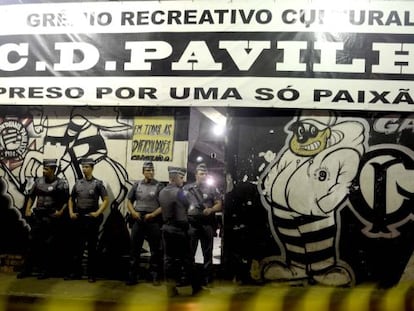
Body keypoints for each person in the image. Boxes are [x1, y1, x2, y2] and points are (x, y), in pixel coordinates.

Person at [17, 158, 69, 279]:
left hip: (51, 217)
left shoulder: (60, 183)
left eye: (46, 169)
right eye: (43, 168)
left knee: (48, 245)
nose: (43, 171)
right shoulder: (38, 181)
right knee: (32, 242)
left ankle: (45, 271)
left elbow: (67, 200)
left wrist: (60, 212)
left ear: (53, 170)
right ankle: (27, 270)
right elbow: (31, 196)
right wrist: (28, 209)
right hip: (38, 216)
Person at [159, 166, 203, 297]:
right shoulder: (180, 192)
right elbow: (194, 206)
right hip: (180, 230)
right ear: (173, 178)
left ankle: (170, 290)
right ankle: (196, 288)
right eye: (181, 177)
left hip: (166, 228)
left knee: (169, 260)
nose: (183, 180)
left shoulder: (161, 191)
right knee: (188, 260)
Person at [66, 158, 109, 283]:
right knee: (77, 247)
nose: (84, 169)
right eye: (83, 167)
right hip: (79, 218)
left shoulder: (97, 183)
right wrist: (71, 212)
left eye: (86, 167)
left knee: (91, 248)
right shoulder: (78, 183)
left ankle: (91, 274)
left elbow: (106, 199)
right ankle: (76, 273)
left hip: (91, 219)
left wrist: (97, 213)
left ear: (92, 168)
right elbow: (71, 199)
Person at [125, 161, 164, 286]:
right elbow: (129, 201)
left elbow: (164, 205)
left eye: (152, 170)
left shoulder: (159, 186)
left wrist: (153, 214)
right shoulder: (137, 185)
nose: (150, 172)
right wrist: (132, 212)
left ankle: (155, 276)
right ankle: (132, 276)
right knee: (134, 249)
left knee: (155, 250)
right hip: (138, 219)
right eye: (148, 170)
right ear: (143, 172)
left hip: (153, 220)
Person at [184, 163, 222, 286]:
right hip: (192, 224)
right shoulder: (187, 188)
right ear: (196, 175)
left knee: (207, 252)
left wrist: (211, 210)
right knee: (190, 252)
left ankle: (208, 278)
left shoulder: (212, 188)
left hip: (207, 224)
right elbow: (179, 202)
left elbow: (219, 204)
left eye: (205, 173)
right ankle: (190, 277)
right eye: (201, 174)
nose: (204, 176)